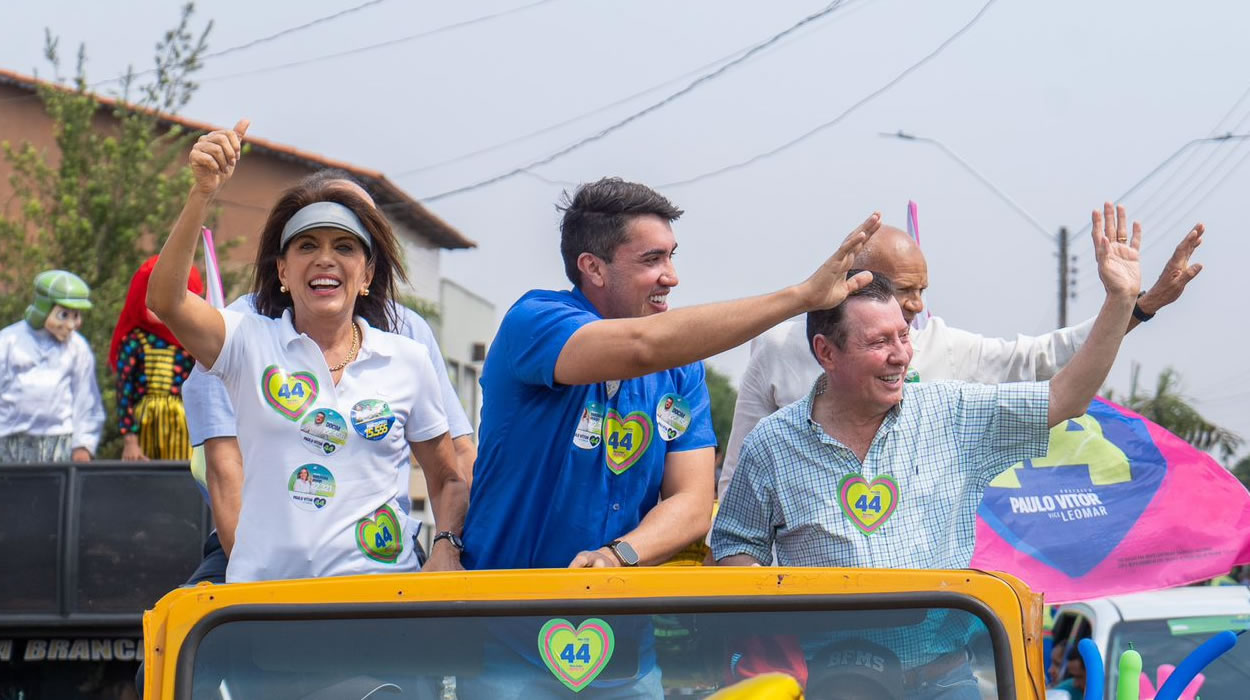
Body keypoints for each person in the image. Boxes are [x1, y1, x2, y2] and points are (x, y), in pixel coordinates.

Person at [458, 175, 884, 697]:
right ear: (592, 267)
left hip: (626, 655)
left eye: (672, 256)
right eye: (652, 260)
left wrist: (619, 556)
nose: (672, 277)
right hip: (507, 644)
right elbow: (641, 346)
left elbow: (690, 501)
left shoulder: (682, 374)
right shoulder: (536, 320)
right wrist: (801, 298)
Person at [712, 203, 1147, 698]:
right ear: (826, 353)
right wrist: (783, 621)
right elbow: (734, 551)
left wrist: (1121, 300)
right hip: (828, 686)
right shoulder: (772, 444)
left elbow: (1066, 396)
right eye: (880, 342)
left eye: (904, 336)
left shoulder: (953, 412)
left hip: (944, 681)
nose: (901, 354)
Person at [146, 119, 466, 582]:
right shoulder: (247, 342)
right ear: (283, 271)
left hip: (380, 601)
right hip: (270, 605)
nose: (325, 259)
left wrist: (445, 549)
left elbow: (448, 477)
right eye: (307, 245)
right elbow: (166, 301)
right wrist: (202, 194)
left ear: (367, 274)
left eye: (344, 247)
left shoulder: (407, 356)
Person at [716, 220, 1204, 504]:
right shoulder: (778, 353)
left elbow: (1048, 367)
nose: (914, 310)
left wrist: (1136, 305)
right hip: (804, 598)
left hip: (921, 607)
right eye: (904, 290)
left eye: (922, 293)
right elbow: (739, 482)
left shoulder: (946, 373)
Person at [0, 270, 104, 463]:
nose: (71, 324)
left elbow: (86, 397)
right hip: (9, 439)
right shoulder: (9, 341)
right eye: (64, 315)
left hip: (58, 443)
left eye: (76, 316)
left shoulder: (77, 348)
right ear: (43, 308)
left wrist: (83, 444)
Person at [111, 255, 203, 461]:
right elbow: (124, 390)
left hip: (184, 427)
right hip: (144, 425)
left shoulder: (190, 341)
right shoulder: (134, 341)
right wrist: (130, 440)